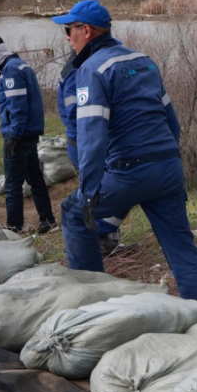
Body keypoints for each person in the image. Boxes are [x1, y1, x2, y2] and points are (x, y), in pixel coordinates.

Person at [52, 0, 197, 301]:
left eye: (68, 30)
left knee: (74, 214)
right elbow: (171, 121)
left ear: (85, 31)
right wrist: (166, 161)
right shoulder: (143, 61)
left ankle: (94, 302)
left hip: (129, 171)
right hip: (168, 168)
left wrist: (88, 191)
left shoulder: (91, 69)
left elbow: (91, 134)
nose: (67, 37)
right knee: (181, 247)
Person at [0, 35, 56, 234]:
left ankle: (13, 227)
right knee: (35, 179)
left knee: (12, 184)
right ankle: (48, 221)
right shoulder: (21, 65)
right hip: (29, 133)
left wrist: (14, 135)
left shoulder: (10, 70)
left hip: (19, 135)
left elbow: (18, 107)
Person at [56, 48, 127, 254]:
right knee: (103, 192)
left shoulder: (89, 65)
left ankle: (107, 239)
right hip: (84, 144)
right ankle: (98, 238)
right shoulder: (75, 70)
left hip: (93, 141)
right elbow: (75, 115)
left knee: (111, 192)